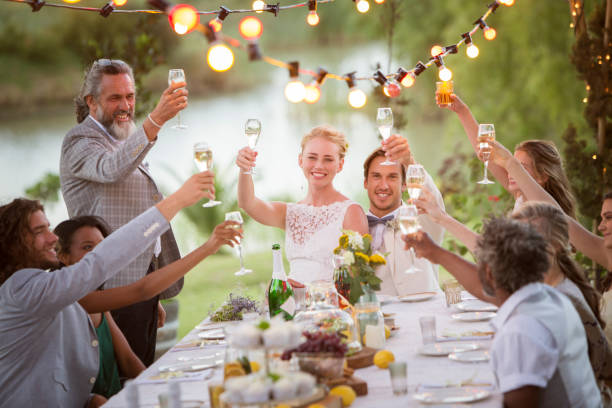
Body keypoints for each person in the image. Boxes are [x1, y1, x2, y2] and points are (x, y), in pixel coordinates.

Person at [0, 172, 212, 408]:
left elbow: (45, 373)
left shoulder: (50, 291)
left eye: (49, 228)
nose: (53, 238)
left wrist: (90, 400)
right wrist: (177, 201)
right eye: (39, 231)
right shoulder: (23, 290)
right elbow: (103, 262)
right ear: (13, 241)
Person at [60, 58, 191, 366]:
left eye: (130, 96)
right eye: (115, 97)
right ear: (91, 102)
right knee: (122, 383)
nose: (126, 105)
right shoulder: (79, 140)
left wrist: (151, 287)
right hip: (110, 286)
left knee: (141, 374)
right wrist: (156, 119)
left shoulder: (120, 136)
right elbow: (111, 169)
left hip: (140, 283)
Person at [404, 217, 602, 407]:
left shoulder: (520, 331)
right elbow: (482, 286)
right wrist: (435, 253)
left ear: (489, 273)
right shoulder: (548, 296)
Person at [53, 215, 239, 401]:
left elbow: (128, 361)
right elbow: (142, 290)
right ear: (63, 256)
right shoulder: (72, 299)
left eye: (102, 246)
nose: (97, 254)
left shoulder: (100, 303)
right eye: (87, 247)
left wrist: (159, 392)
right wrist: (208, 248)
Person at [421, 93, 577, 253]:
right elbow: (484, 154)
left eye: (520, 167)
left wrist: (441, 218)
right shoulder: (522, 197)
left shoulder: (544, 216)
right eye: (512, 165)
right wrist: (463, 112)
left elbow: (491, 252)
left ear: (543, 176)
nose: (511, 171)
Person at [236, 125, 368, 285]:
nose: (319, 165)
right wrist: (245, 169)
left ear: (340, 165)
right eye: (312, 157)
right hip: (292, 303)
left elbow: (358, 277)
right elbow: (247, 203)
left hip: (331, 304)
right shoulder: (289, 212)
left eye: (328, 159)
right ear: (300, 160)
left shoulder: (350, 211)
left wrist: (311, 293)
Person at [363, 137, 445, 296]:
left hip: (422, 315)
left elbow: (433, 201)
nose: (384, 185)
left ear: (405, 184)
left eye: (392, 177)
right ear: (366, 182)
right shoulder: (354, 226)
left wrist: (409, 162)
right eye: (376, 176)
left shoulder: (422, 218)